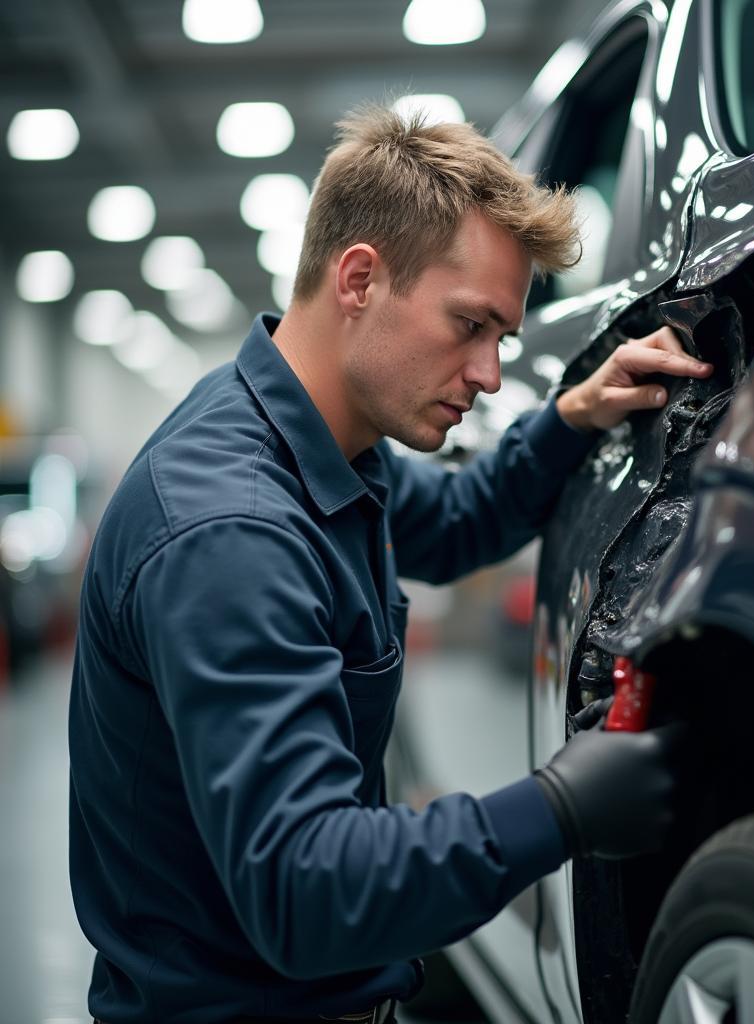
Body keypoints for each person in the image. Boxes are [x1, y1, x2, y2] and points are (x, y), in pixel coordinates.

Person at [68, 107, 713, 1024]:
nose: (490, 375)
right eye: (470, 325)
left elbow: (451, 525)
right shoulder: (231, 532)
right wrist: (562, 809)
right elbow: (308, 893)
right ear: (361, 278)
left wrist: (571, 418)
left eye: (504, 340)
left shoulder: (321, 441)